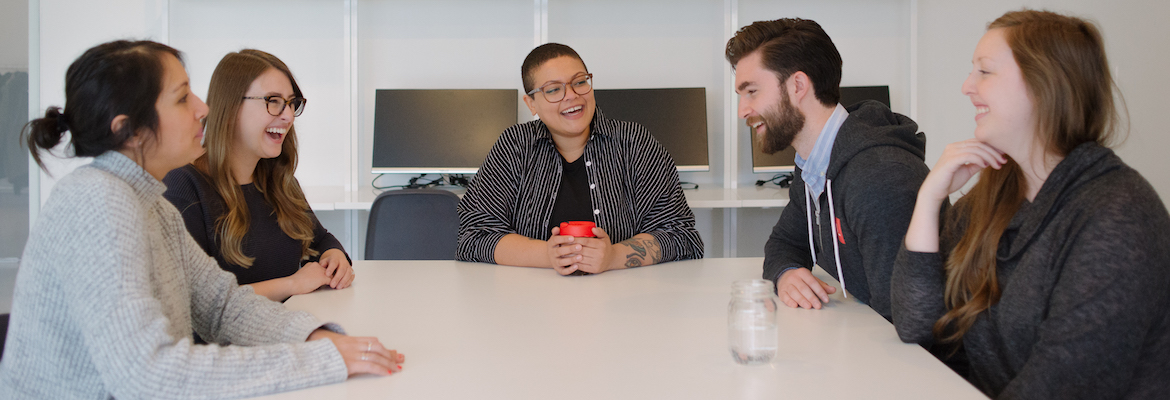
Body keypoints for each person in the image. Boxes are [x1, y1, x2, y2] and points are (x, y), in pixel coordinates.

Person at [0, 40, 403, 399]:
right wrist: (318, 360)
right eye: (182, 98)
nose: (204, 108)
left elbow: (222, 306)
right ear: (130, 131)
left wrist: (315, 337)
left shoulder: (151, 204)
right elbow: (148, 375)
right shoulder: (98, 203)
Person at [892, 10, 1170, 399]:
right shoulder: (995, 193)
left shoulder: (1120, 217)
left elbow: (1062, 388)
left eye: (985, 71)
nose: (967, 86)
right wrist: (929, 198)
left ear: (1045, 85)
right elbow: (915, 324)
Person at [726, 18, 931, 320]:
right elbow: (784, 242)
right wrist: (787, 273)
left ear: (798, 86)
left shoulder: (880, 177)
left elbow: (907, 319)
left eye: (752, 92)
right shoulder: (814, 164)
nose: (743, 110)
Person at [457, 43, 703, 274]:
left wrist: (613, 257)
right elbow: (473, 237)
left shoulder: (634, 143)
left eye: (580, 82)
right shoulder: (515, 146)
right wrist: (549, 255)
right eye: (554, 89)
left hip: (624, 297)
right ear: (531, 103)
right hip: (530, 298)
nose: (572, 95)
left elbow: (682, 236)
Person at [163, 49, 352, 302]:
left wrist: (333, 256)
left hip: (289, 322)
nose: (288, 115)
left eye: (291, 103)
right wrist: (291, 284)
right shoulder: (184, 185)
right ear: (231, 108)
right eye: (273, 101)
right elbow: (195, 300)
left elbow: (320, 240)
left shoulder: (279, 181)